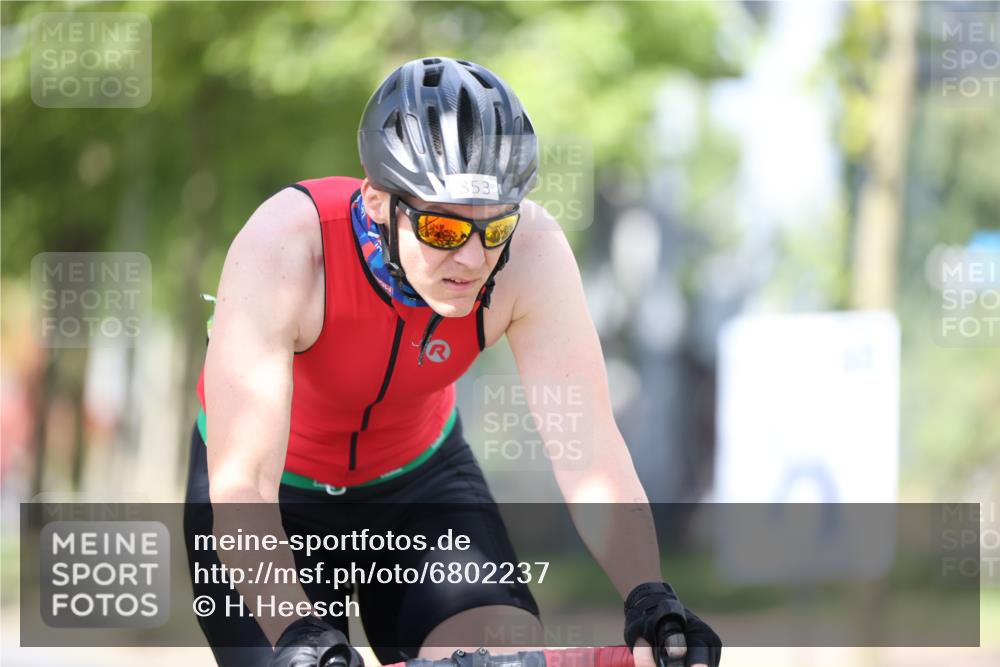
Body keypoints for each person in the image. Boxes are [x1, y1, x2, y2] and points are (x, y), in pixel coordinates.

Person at [183, 56, 722, 667]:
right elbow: (242, 483)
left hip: (421, 484)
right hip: (273, 496)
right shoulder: (285, 250)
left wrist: (648, 594)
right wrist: (295, 630)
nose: (471, 259)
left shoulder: (532, 258)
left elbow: (587, 448)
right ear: (380, 202)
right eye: (443, 230)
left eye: (494, 230)